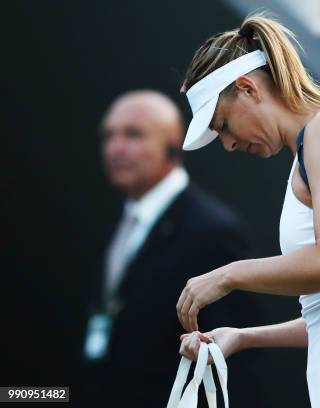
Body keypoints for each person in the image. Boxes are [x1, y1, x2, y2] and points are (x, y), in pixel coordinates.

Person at [176, 13, 320, 407]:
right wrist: (244, 336)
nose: (227, 144)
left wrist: (227, 276)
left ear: (247, 89)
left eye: (224, 125)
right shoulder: (312, 147)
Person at [79, 90, 259, 407]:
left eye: (133, 134)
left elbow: (235, 362)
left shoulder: (212, 230)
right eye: (108, 136)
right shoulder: (121, 217)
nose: (115, 148)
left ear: (173, 142)